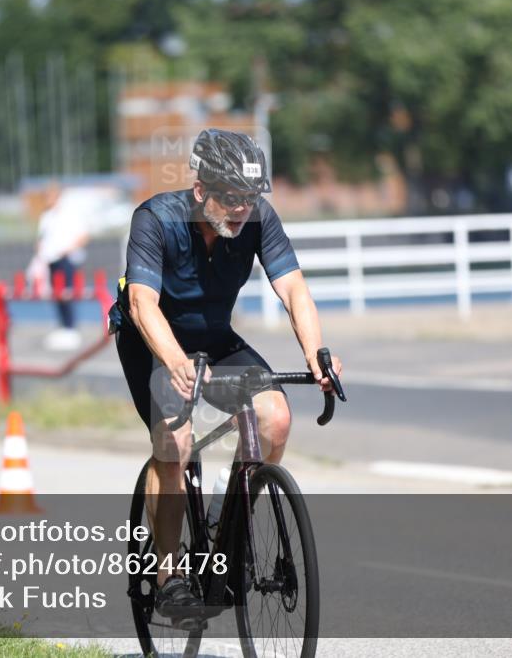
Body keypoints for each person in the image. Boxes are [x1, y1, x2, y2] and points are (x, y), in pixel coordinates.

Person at [110, 128, 343, 620]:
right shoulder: (156, 219)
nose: (242, 208)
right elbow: (142, 304)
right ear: (201, 190)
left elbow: (294, 289)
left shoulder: (257, 217)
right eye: (232, 197)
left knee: (275, 418)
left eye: (250, 197)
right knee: (175, 443)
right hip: (152, 340)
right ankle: (168, 576)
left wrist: (315, 354)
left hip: (213, 338)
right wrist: (175, 362)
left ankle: (225, 523)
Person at [27, 183, 90, 351]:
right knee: (56, 293)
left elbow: (83, 236)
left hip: (66, 259)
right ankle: (63, 326)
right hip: (50, 260)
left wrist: (67, 250)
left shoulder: (69, 214)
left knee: (67, 293)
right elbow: (42, 237)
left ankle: (70, 327)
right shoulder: (46, 216)